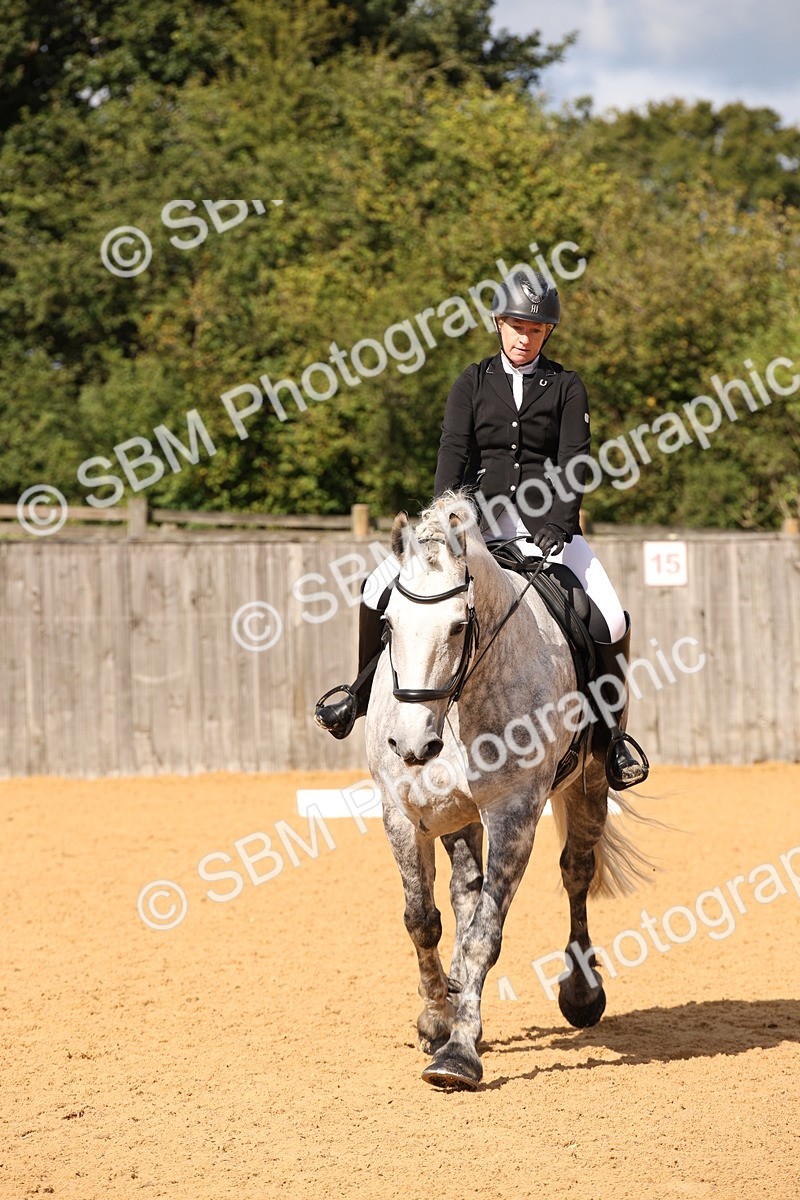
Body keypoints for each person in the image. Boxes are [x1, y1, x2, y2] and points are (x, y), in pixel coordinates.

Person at [314, 269, 649, 789]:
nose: (524, 337)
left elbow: (574, 461)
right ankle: (358, 696)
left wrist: (560, 524)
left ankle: (611, 741)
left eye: (535, 330)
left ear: (547, 334)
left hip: (547, 528)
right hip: (473, 526)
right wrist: (440, 524)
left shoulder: (566, 386)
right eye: (516, 325)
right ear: (498, 323)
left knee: (608, 617)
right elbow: (453, 451)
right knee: (376, 587)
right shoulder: (472, 382)